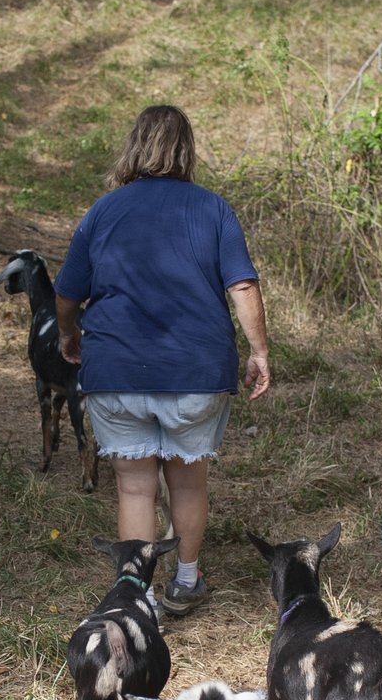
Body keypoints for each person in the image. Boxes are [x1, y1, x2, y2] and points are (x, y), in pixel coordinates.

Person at [54, 104, 271, 616]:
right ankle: (186, 581)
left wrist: (69, 334)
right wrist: (259, 350)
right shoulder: (213, 208)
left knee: (134, 484)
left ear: (134, 146)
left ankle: (139, 595)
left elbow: (67, 292)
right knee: (188, 479)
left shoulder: (104, 211)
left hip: (116, 371)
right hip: (196, 373)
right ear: (187, 150)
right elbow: (241, 284)